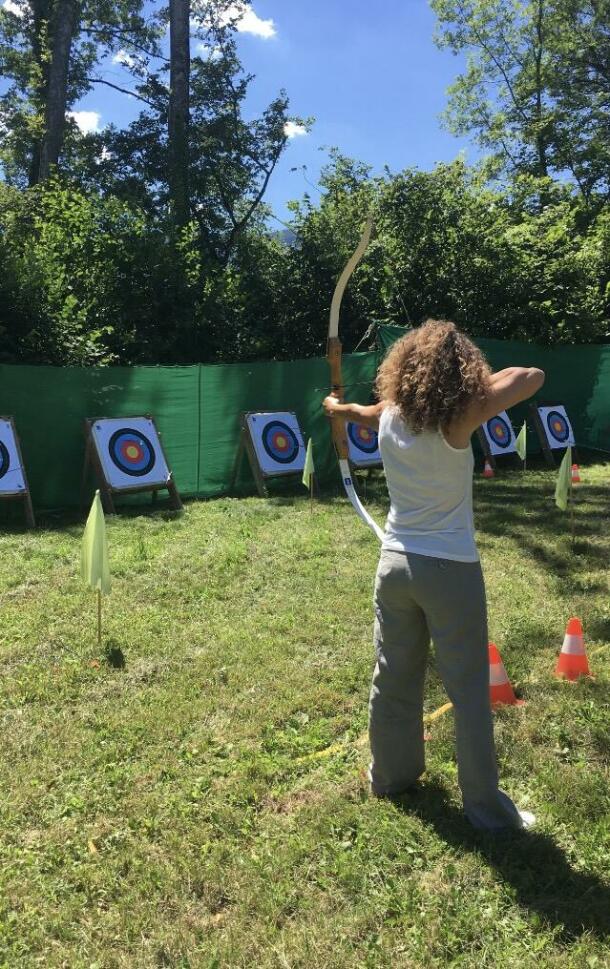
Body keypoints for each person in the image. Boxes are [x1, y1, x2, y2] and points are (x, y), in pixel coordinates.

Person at [323, 319, 544, 830]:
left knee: (394, 675)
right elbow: (530, 375)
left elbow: (352, 410)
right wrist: (474, 392)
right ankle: (487, 812)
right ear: (459, 372)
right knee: (468, 691)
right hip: (449, 571)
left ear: (403, 368)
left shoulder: (388, 414)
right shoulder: (461, 416)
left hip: (394, 567)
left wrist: (335, 405)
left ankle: (391, 777)